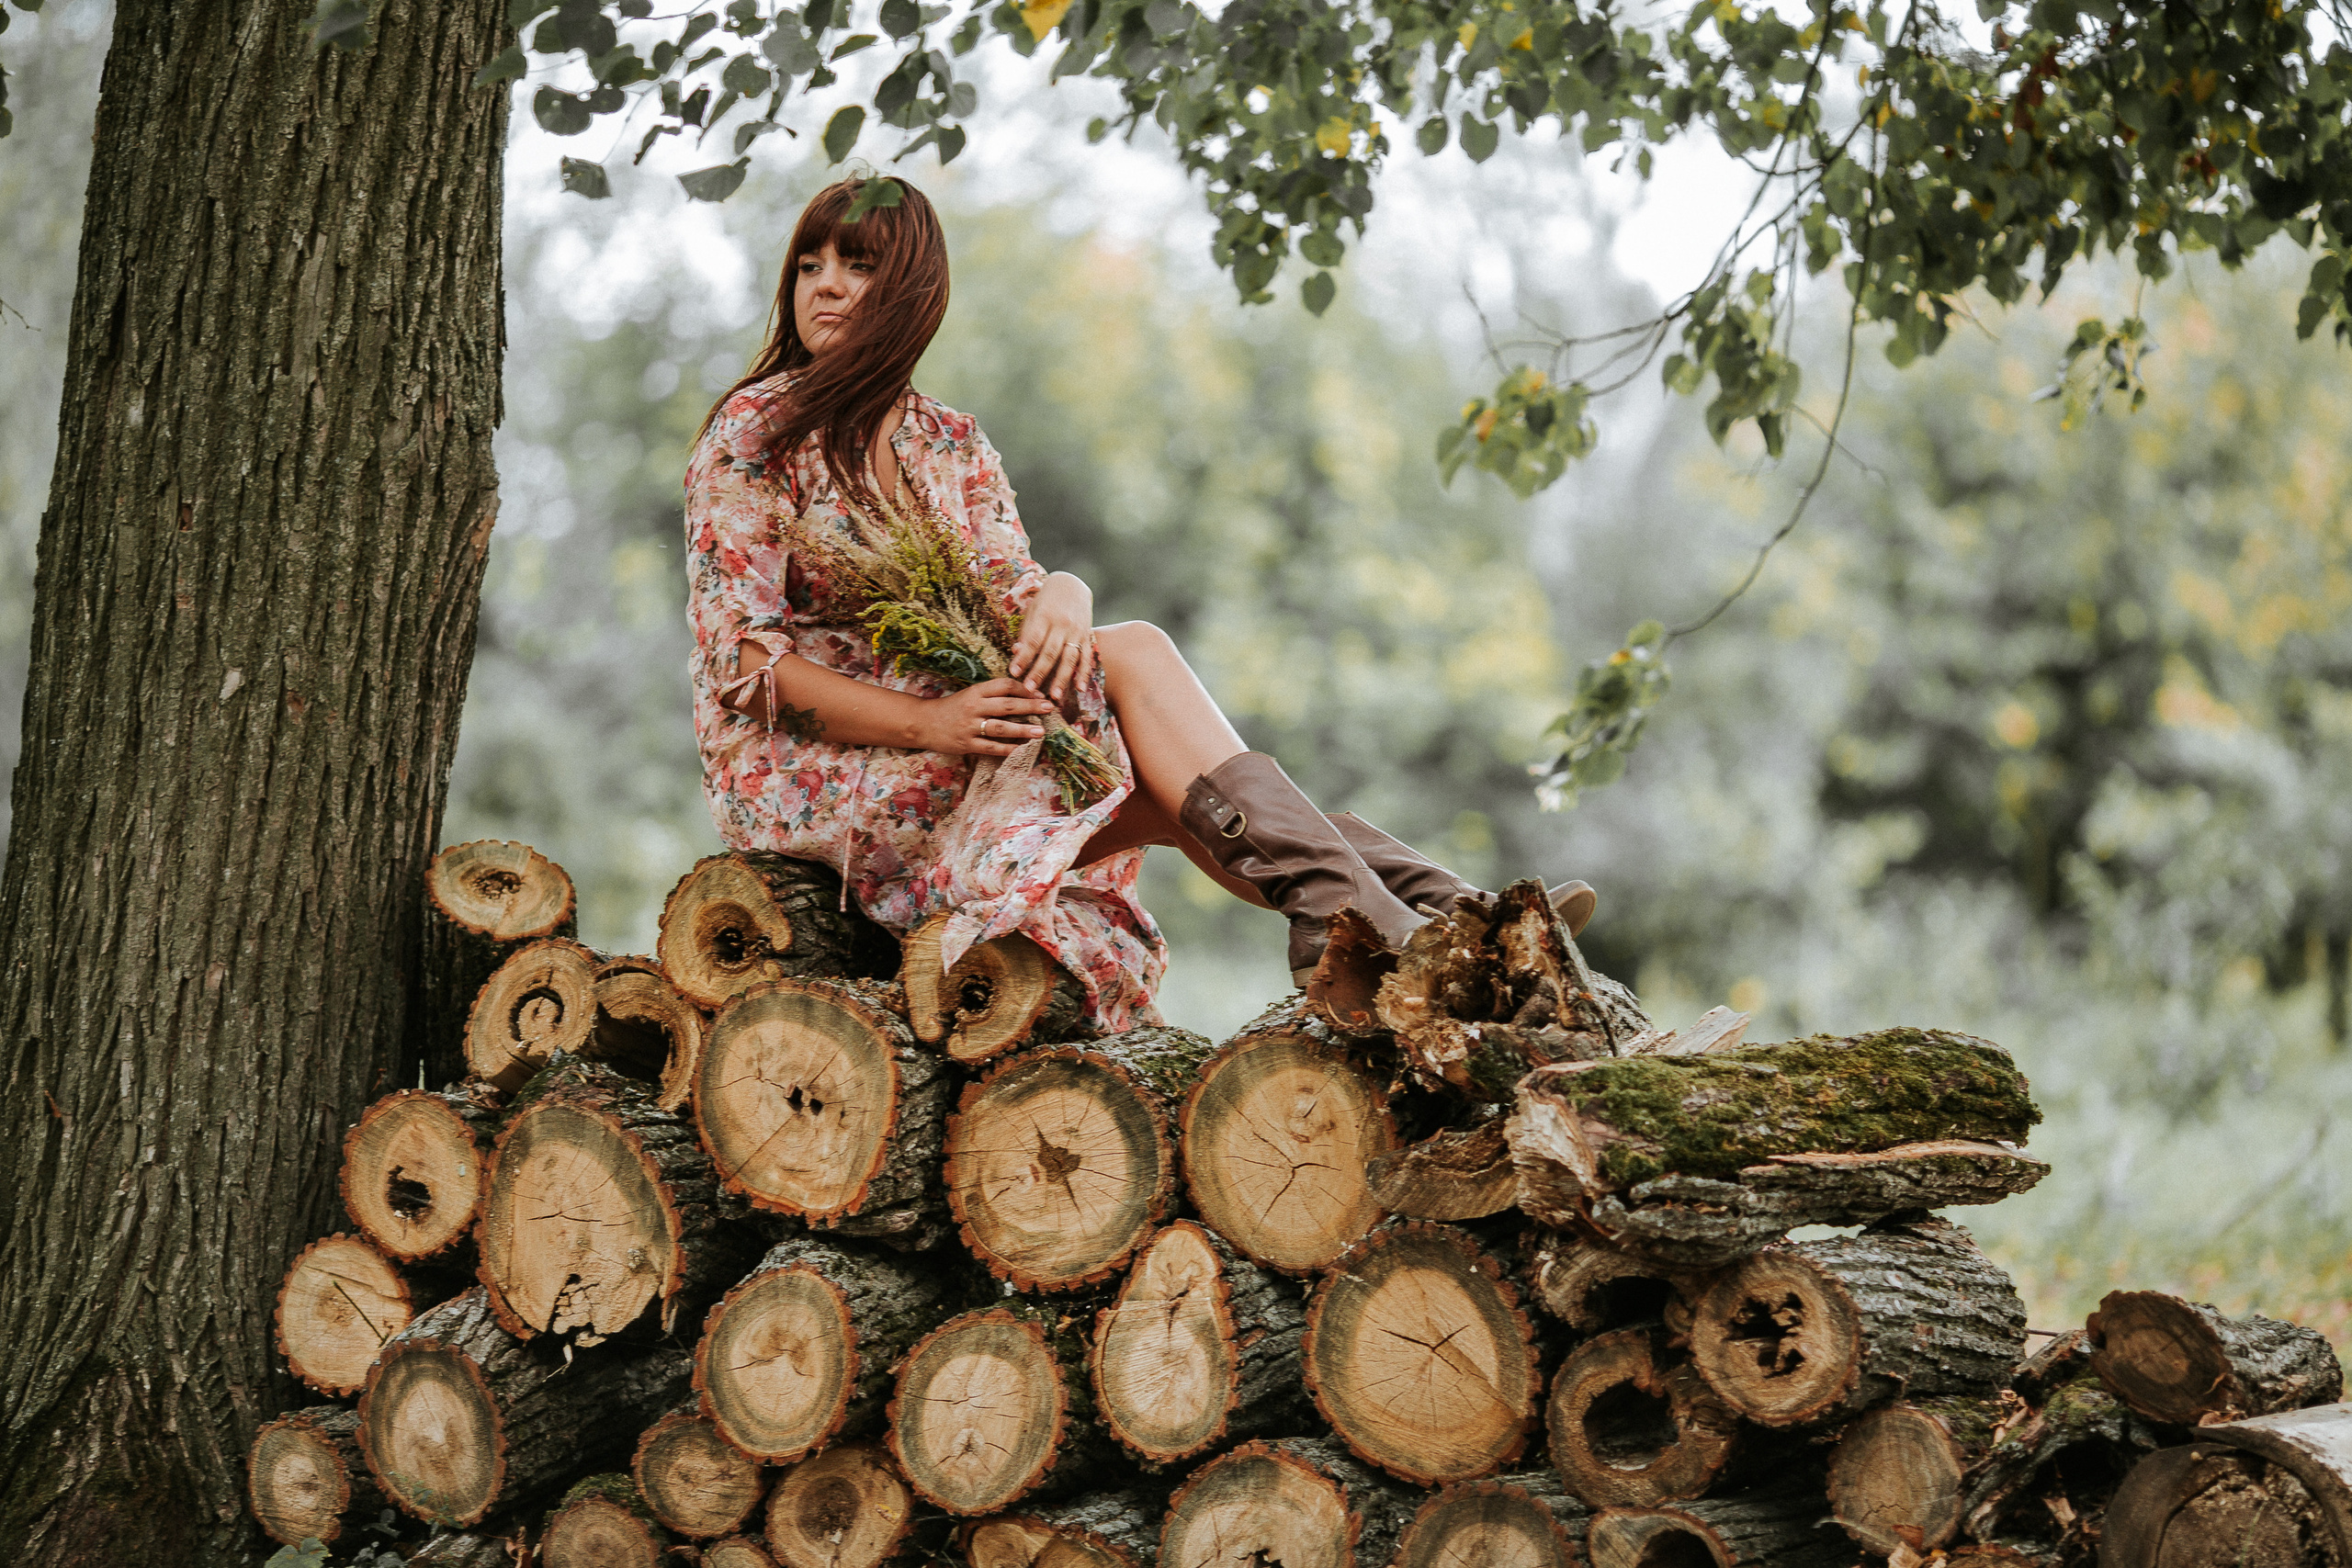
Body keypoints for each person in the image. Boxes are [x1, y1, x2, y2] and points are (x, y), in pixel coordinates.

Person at [684, 175, 1593, 1032]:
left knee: (1180, 782)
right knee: (1147, 684)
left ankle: (1442, 931)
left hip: (960, 741)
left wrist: (1067, 595)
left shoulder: (947, 441)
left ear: (913, 289)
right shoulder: (757, 433)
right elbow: (741, 665)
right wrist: (933, 723)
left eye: (858, 264)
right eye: (811, 265)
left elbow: (1012, 598)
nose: (827, 287)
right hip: (817, 777)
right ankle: (1432, 917)